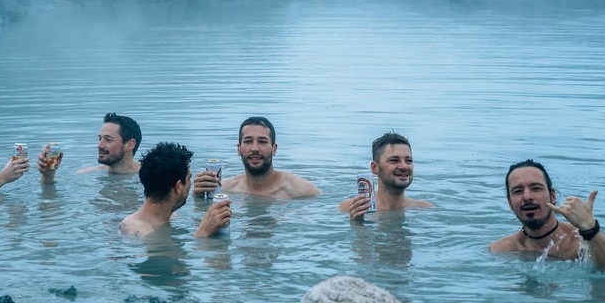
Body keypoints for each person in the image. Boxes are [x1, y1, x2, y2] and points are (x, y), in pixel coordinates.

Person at [489, 159, 605, 277]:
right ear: (510, 203)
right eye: (518, 191)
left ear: (553, 196)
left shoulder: (583, 241)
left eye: (536, 188)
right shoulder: (501, 250)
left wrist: (590, 228)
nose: (527, 197)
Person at [119, 142, 232, 238]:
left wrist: (199, 200)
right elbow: (162, 261)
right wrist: (203, 233)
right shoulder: (137, 230)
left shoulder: (172, 216)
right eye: (189, 178)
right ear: (178, 186)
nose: (191, 183)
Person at [192, 116, 320, 200]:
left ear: (274, 149)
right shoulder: (225, 189)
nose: (254, 148)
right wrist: (198, 197)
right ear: (238, 149)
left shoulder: (301, 191)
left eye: (262, 141)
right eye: (248, 141)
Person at [338, 132, 434, 219]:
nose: (404, 166)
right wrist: (357, 224)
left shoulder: (424, 209)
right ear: (375, 168)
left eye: (408, 161)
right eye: (394, 160)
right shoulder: (349, 208)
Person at [38, 112, 141, 182]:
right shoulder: (86, 173)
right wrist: (48, 176)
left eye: (108, 140)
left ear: (130, 144)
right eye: (99, 138)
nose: (99, 145)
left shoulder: (151, 174)